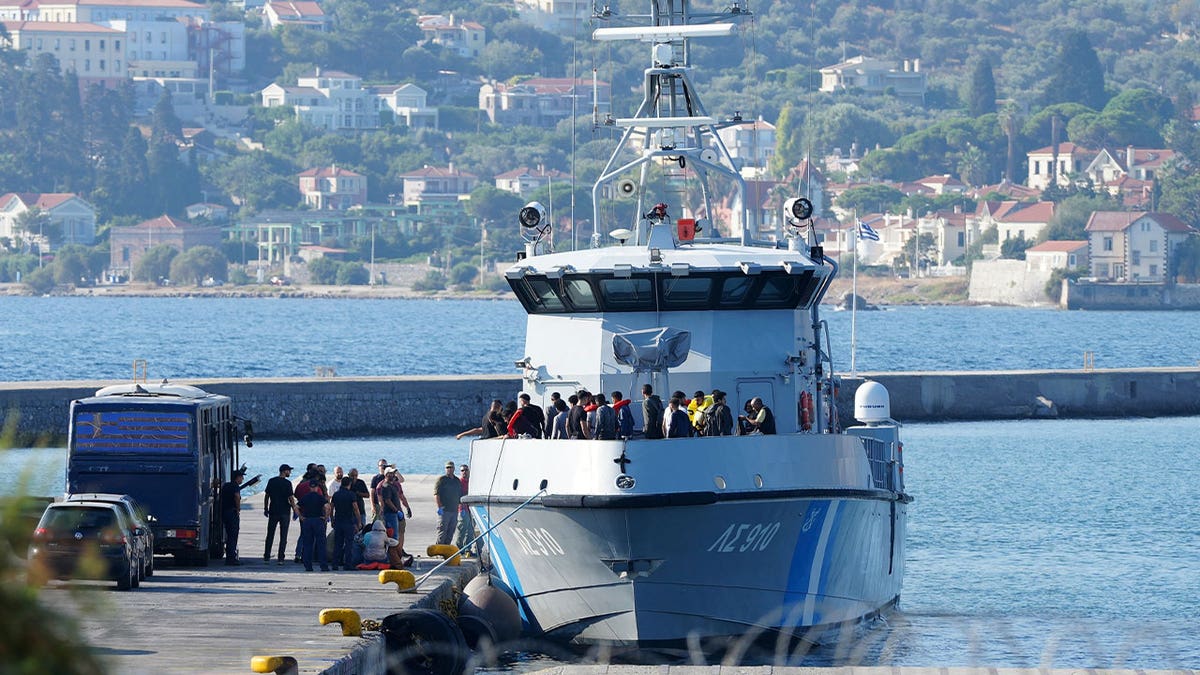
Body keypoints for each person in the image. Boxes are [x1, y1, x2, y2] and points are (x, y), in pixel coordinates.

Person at [263, 464, 298, 564]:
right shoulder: (287, 483)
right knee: (283, 536)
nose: (290, 473)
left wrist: (266, 508)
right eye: (289, 471)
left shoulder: (272, 481)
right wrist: (294, 509)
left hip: (273, 510)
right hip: (284, 512)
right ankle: (281, 558)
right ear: (284, 471)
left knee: (270, 534)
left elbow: (267, 496)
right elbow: (291, 498)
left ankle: (266, 556)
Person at [296, 475, 330, 572]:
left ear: (310, 487)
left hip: (307, 521)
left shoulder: (305, 497)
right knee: (321, 544)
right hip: (318, 521)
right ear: (317, 487)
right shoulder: (320, 497)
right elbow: (328, 507)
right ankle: (323, 566)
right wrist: (326, 517)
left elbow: (296, 507)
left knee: (308, 544)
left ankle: (308, 566)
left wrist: (301, 517)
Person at [379, 468, 412, 556]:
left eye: (394, 473)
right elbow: (387, 501)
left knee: (398, 534)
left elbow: (401, 496)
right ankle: (393, 557)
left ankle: (398, 553)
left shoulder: (393, 485)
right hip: (390, 514)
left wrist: (407, 508)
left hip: (396, 513)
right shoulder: (385, 486)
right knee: (393, 537)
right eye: (391, 473)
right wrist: (397, 511)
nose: (393, 475)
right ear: (386, 475)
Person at [330, 476, 361, 570]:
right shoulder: (351, 495)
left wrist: (332, 519)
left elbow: (331, 508)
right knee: (349, 544)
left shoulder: (336, 494)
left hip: (338, 521)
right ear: (349, 484)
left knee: (337, 544)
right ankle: (348, 564)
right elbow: (355, 509)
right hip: (348, 522)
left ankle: (335, 564)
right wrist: (359, 521)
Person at [434, 460, 464, 546]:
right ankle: (439, 549)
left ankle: (446, 549)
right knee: (442, 531)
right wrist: (439, 507)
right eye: (447, 467)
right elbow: (437, 495)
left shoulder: (457, 481)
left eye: (451, 467)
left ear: (454, 469)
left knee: (451, 531)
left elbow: (459, 495)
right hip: (445, 510)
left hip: (454, 510)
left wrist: (461, 508)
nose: (449, 469)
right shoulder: (442, 480)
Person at [220, 468, 246, 565]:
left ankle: (229, 556)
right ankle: (231, 558)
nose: (242, 479)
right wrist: (238, 508)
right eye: (241, 477)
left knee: (229, 534)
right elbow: (236, 496)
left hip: (225, 512)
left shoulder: (226, 486)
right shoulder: (235, 486)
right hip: (232, 512)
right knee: (233, 535)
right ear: (237, 477)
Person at [454, 464, 473, 552]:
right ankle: (459, 549)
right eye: (462, 470)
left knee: (470, 531)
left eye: (466, 470)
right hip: (463, 509)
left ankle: (467, 549)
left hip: (472, 510)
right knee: (462, 530)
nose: (464, 472)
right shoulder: (459, 482)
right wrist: (461, 509)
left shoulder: (472, 482)